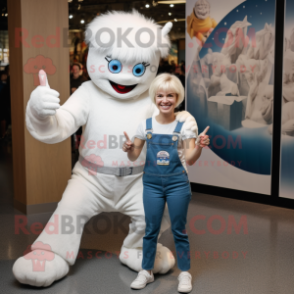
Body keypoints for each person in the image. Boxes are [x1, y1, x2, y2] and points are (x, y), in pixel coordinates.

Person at [122, 73, 210, 293]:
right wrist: (129, 149)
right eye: (160, 95)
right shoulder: (145, 126)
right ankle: (146, 271)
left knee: (179, 230)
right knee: (150, 229)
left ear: (177, 97)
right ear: (155, 97)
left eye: (170, 95)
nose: (165, 100)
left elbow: (190, 158)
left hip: (178, 184)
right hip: (151, 184)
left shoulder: (185, 125)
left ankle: (185, 273)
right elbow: (134, 157)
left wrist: (199, 146)